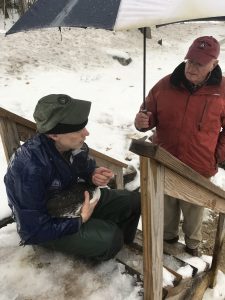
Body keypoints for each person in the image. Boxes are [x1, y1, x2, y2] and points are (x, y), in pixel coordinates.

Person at [4, 94, 141, 261]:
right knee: (111, 238)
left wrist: (93, 175)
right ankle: (105, 247)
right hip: (49, 223)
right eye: (78, 129)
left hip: (75, 200)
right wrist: (81, 220)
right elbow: (32, 230)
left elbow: (84, 168)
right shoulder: (28, 168)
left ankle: (114, 245)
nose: (87, 133)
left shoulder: (73, 146)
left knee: (134, 201)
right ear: (54, 135)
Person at [134, 36, 225, 256]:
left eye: (200, 63)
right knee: (166, 209)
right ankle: (167, 244)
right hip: (165, 160)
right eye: (190, 61)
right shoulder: (165, 84)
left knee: (194, 211)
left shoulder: (222, 91)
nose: (192, 67)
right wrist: (142, 122)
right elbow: (147, 115)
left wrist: (217, 155)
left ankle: (193, 247)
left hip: (198, 166)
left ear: (213, 64)